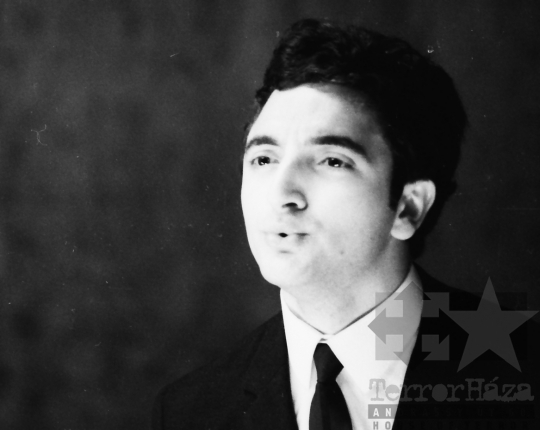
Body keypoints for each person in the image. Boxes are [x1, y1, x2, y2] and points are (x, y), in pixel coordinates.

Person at [152, 19, 538, 430]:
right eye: (264, 159)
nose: (282, 193)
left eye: (332, 161)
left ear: (408, 208)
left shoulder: (524, 375)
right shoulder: (188, 412)